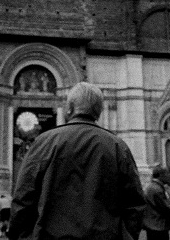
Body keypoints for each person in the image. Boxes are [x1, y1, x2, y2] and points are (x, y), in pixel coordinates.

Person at [10, 82, 145, 240]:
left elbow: (23, 198)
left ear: (69, 108)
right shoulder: (118, 147)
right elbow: (135, 204)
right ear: (99, 112)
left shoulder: (44, 143)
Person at [143, 164, 170, 240]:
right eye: (168, 173)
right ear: (161, 175)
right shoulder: (157, 190)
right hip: (158, 227)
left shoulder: (151, 187)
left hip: (152, 225)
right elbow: (168, 208)